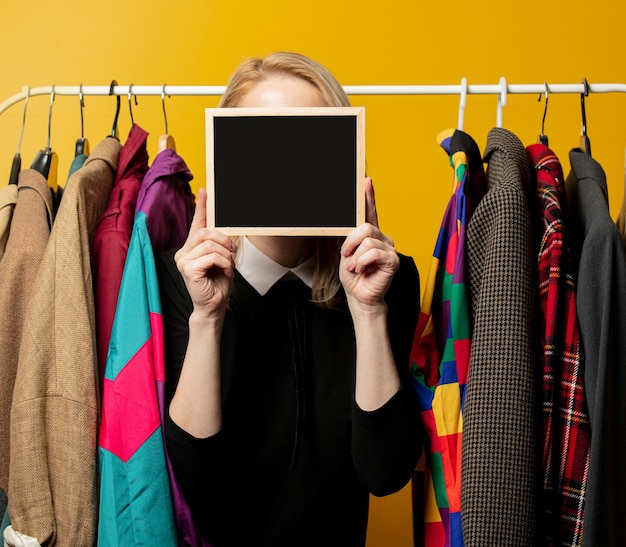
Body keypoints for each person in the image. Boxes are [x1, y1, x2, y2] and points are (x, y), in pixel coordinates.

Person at [156, 51, 423, 546]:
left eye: (307, 142)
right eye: (262, 143)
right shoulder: (178, 281)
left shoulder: (391, 279)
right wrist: (207, 318)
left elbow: (384, 472)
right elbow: (199, 484)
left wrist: (368, 312)